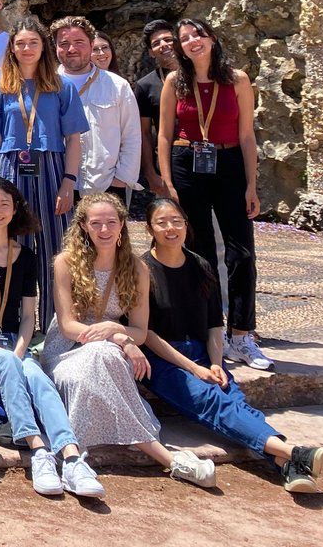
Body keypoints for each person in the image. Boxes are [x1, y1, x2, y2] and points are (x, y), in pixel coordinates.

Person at [141, 198, 323, 493]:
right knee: (211, 400)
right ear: (150, 228)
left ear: (186, 225)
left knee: (234, 399)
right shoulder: (143, 269)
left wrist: (216, 363)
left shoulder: (201, 265)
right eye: (162, 222)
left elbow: (215, 324)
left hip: (203, 353)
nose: (170, 228)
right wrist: (193, 368)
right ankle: (293, 452)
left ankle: (286, 465)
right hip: (163, 360)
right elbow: (147, 334)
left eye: (176, 221)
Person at [38, 194, 216, 487]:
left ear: (122, 225)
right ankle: (167, 458)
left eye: (111, 222)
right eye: (96, 224)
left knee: (102, 357)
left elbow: (140, 331)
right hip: (66, 350)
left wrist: (115, 332)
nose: (104, 230)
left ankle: (74, 456)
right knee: (102, 354)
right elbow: (69, 326)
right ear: (83, 226)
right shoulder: (65, 262)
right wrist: (120, 339)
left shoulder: (137, 268)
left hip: (107, 351)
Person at [0, 177, 105, 498]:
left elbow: (27, 317)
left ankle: (71, 456)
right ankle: (38, 450)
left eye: (5, 204)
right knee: (9, 362)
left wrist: (20, 349)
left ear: (15, 209)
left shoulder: (27, 255)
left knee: (36, 373)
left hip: (13, 344)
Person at [156, 18, 270, 370]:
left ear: (212, 38)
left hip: (228, 159)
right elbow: (163, 134)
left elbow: (248, 135)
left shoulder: (236, 79)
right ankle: (210, 331)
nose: (193, 42)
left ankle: (241, 333)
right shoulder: (176, 81)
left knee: (241, 252)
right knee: (199, 252)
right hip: (188, 161)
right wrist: (168, 182)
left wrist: (251, 184)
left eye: (198, 35)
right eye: (185, 38)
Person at [0, 17, 88, 330]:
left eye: (33, 43)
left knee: (57, 250)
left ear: (43, 47)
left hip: (52, 168)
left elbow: (74, 139)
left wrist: (69, 182)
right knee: (10, 246)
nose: (26, 49)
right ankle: (11, 325)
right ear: (11, 48)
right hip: (10, 170)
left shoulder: (61, 86)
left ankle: (56, 326)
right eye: (20, 43)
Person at [52, 16, 141, 201]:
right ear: (55, 47)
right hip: (56, 184)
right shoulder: (45, 86)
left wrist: (121, 180)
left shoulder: (117, 86)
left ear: (92, 44)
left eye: (79, 42)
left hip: (105, 185)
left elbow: (131, 136)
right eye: (64, 43)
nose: (72, 49)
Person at [135, 20, 177, 197]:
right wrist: (151, 174)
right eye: (156, 43)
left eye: (168, 39)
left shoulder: (201, 75)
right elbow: (144, 133)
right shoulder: (145, 85)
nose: (164, 45)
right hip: (170, 161)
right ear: (151, 53)